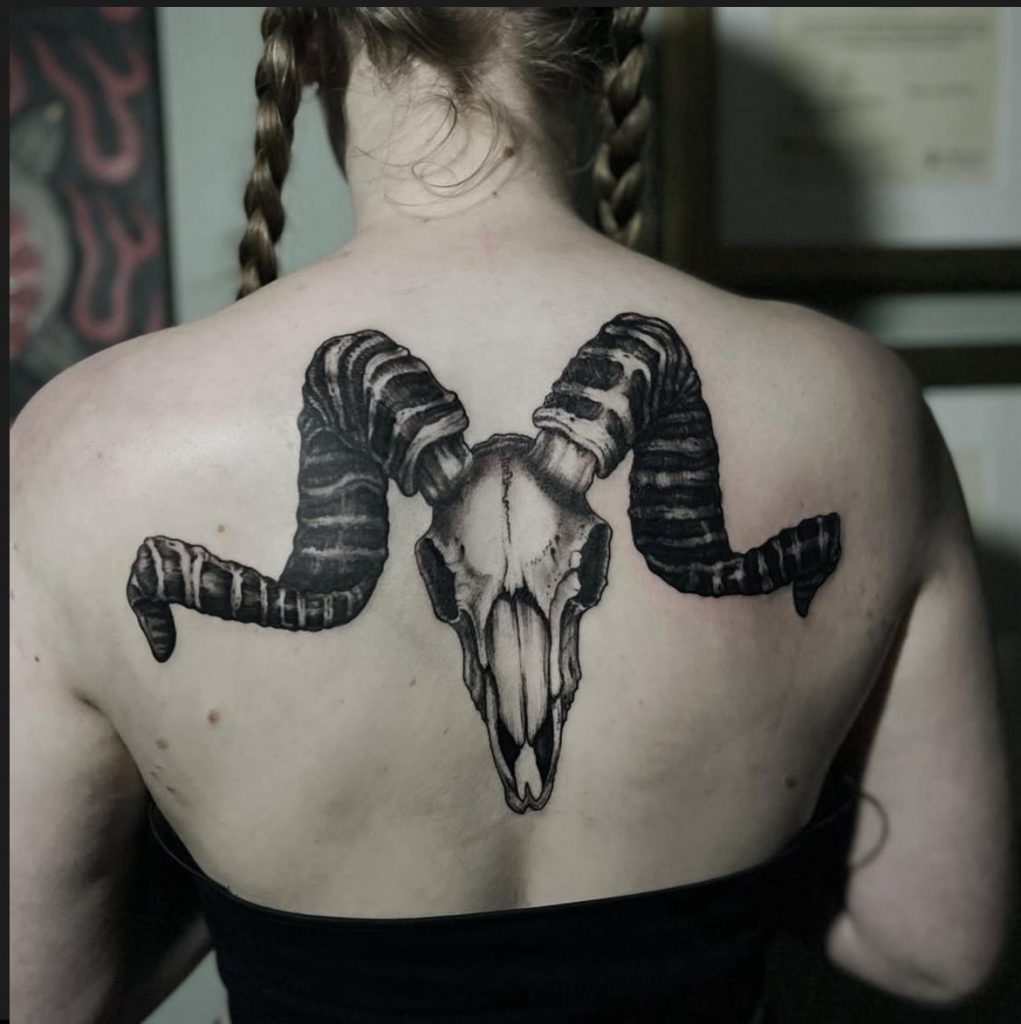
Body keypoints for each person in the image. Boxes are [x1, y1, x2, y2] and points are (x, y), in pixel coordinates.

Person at [10, 8, 1012, 1023]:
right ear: (603, 33)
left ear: (305, 40)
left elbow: (44, 996)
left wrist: (221, 839)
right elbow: (936, 947)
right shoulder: (859, 410)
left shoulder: (85, 453)